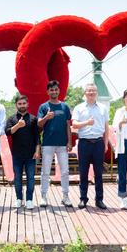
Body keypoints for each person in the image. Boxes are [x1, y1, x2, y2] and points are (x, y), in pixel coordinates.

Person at [72, 83, 110, 209]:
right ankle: (83, 199)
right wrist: (87, 123)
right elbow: (75, 124)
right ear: (85, 93)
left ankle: (99, 199)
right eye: (89, 91)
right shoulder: (79, 108)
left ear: (96, 93)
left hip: (98, 143)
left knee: (99, 173)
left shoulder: (103, 108)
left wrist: (105, 143)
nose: (91, 93)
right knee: (83, 173)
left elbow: (106, 127)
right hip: (84, 143)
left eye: (93, 90)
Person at [37, 80, 73, 208]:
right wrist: (46, 117)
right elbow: (39, 124)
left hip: (62, 144)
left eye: (56, 89)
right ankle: (43, 196)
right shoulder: (43, 107)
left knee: (65, 171)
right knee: (45, 171)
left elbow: (68, 125)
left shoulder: (65, 107)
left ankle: (65, 196)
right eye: (51, 90)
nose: (54, 92)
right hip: (48, 144)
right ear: (48, 92)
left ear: (59, 91)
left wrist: (69, 142)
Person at [5, 95, 40, 209]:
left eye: (24, 103)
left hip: (31, 154)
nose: (22, 106)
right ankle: (19, 199)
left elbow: (37, 137)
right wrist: (18, 125)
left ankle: (29, 200)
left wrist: (37, 150)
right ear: (16, 105)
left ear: (27, 104)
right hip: (17, 154)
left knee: (31, 177)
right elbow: (8, 132)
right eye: (19, 104)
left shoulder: (33, 119)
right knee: (17, 177)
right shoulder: (12, 119)